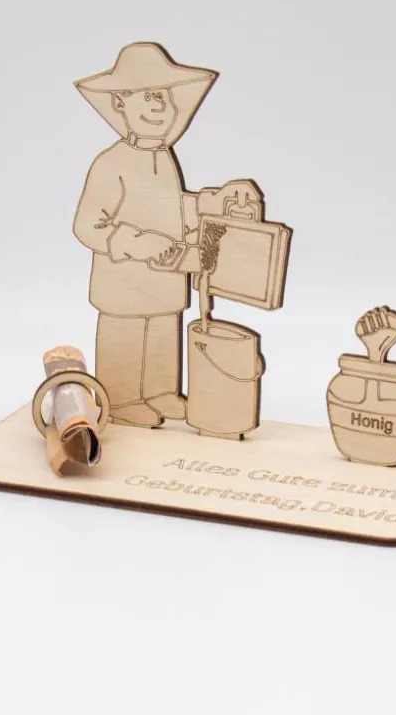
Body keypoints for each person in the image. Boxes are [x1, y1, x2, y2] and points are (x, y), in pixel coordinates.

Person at [73, 42, 260, 427]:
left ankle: (160, 393)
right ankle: (122, 400)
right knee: (128, 337)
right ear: (121, 102)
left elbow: (171, 205)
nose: (160, 105)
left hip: (166, 278)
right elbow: (88, 224)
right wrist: (137, 244)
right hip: (124, 284)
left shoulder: (165, 158)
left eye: (165, 96)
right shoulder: (110, 163)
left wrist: (213, 201)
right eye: (148, 96)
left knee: (162, 334)